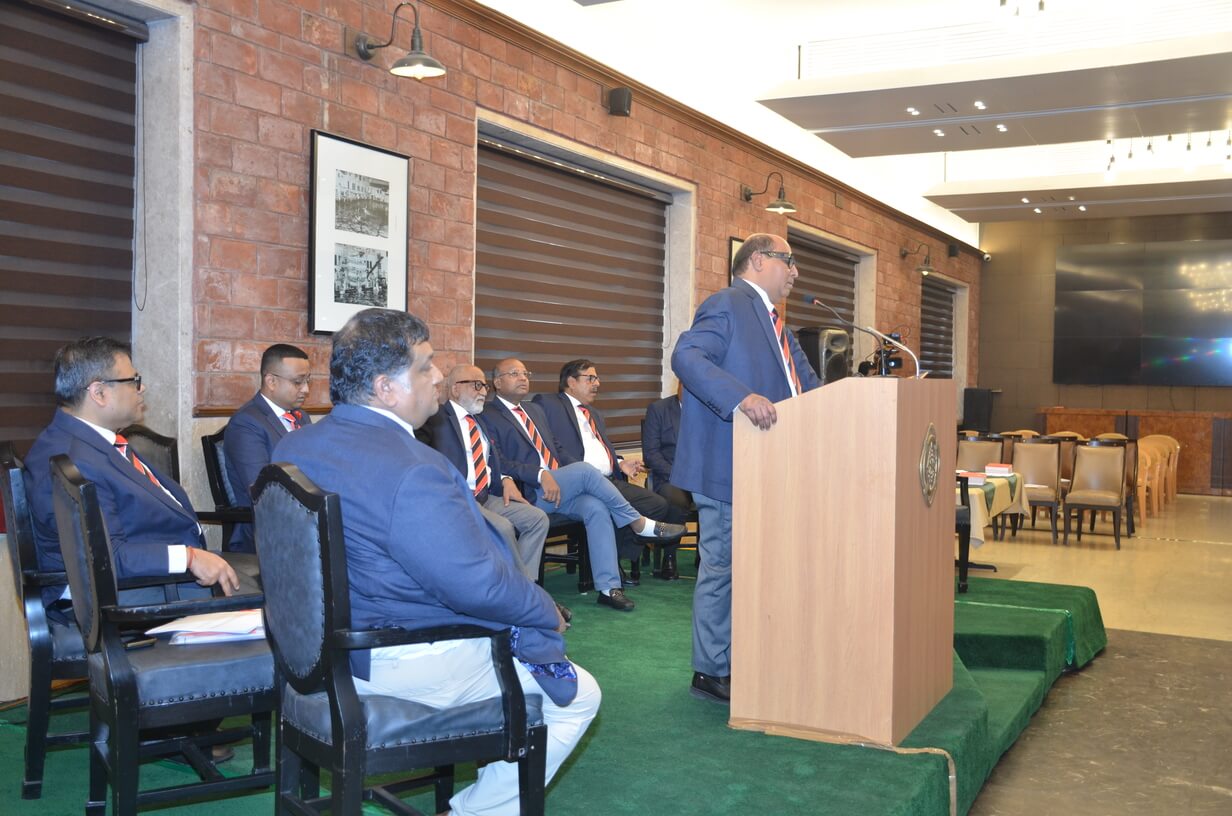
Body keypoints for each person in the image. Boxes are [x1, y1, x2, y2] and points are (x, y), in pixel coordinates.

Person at [272, 308, 599, 816]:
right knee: (580, 697)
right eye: (425, 366)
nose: (440, 375)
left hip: (313, 658)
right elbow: (477, 586)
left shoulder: (293, 447)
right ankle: (471, 811)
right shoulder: (414, 467)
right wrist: (543, 608)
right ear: (385, 387)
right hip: (400, 658)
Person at [671, 233, 821, 704]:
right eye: (788, 261)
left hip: (773, 469)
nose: (795, 272)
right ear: (758, 259)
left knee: (761, 571)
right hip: (729, 466)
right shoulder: (728, 303)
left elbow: (809, 389)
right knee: (724, 568)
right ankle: (711, 670)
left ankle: (752, 656)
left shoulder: (778, 326)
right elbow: (686, 357)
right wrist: (741, 397)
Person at [24, 337, 242, 612]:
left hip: (154, 581)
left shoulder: (93, 441)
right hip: (127, 598)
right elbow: (107, 557)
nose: (143, 388)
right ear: (99, 393)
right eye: (134, 380)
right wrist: (189, 558)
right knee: (276, 605)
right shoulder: (73, 459)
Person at [482, 358, 685, 612]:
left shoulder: (533, 411)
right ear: (497, 382)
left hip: (560, 486)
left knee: (596, 508)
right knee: (586, 471)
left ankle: (609, 588)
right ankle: (638, 523)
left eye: (525, 373)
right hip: (531, 491)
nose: (523, 378)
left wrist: (573, 473)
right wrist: (540, 474)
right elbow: (498, 460)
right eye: (514, 373)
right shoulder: (487, 414)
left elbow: (556, 449)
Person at [534, 359, 687, 580]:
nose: (597, 383)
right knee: (610, 507)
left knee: (657, 505)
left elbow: (602, 449)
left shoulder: (594, 414)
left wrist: (620, 462)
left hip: (608, 479)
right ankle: (615, 559)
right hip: (580, 481)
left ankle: (616, 555)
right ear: (571, 382)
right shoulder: (549, 404)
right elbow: (549, 444)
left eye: (597, 378)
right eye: (590, 378)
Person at [417, 364, 550, 583]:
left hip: (487, 496)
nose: (484, 392)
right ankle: (527, 592)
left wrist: (505, 479)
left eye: (485, 386)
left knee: (536, 519)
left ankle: (520, 585)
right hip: (459, 498)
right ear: (455, 389)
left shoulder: (480, 419)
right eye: (476, 385)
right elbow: (421, 463)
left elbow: (492, 460)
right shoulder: (435, 419)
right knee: (503, 528)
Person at [222, 343, 313, 552]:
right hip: (266, 530)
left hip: (304, 518)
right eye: (298, 382)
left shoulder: (301, 417)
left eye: (308, 381)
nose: (306, 389)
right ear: (271, 381)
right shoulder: (246, 423)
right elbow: (262, 490)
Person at [642, 382, 693, 514]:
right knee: (676, 501)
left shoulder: (707, 411)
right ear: (679, 385)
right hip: (669, 478)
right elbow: (651, 454)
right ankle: (675, 529)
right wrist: (678, 475)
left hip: (700, 479)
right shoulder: (658, 410)